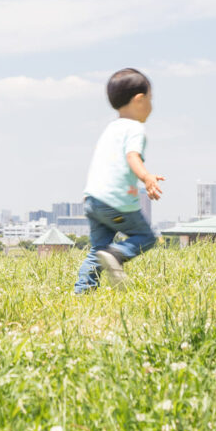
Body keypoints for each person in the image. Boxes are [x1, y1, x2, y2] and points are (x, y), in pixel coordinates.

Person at [73, 68, 164, 293]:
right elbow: (132, 156)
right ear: (139, 99)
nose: (152, 106)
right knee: (146, 236)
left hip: (92, 200)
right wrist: (146, 177)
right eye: (150, 99)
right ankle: (117, 254)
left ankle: (82, 292)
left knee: (98, 250)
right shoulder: (135, 129)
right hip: (116, 201)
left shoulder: (110, 129)